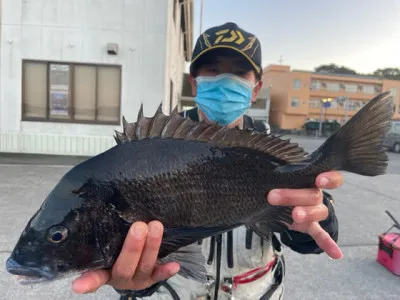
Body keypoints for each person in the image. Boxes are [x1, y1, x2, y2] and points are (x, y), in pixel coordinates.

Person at [71, 22, 344, 299]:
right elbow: (132, 252)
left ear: (255, 88)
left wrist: (319, 216)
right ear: (194, 81)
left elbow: (312, 235)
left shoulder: (273, 150)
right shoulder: (151, 150)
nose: (225, 81)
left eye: (239, 72)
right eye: (213, 70)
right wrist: (134, 277)